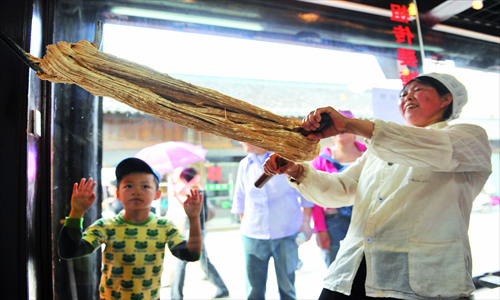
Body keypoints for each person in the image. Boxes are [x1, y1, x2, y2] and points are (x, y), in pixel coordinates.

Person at [263, 73, 492, 299]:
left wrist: (349, 125)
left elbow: (427, 147)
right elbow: (342, 189)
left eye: (417, 90)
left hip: (418, 276)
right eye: (403, 94)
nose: (407, 97)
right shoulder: (379, 148)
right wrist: (296, 170)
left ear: (446, 99)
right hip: (353, 266)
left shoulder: (468, 137)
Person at [58, 157, 202, 300]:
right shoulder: (106, 226)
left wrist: (194, 218)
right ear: (118, 194)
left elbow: (191, 255)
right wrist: (76, 212)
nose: (136, 191)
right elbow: (70, 251)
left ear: (157, 194)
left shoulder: (165, 227)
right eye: (128, 186)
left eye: (145, 186)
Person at [232, 142, 314, 300]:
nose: (241, 141)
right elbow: (239, 199)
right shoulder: (245, 164)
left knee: (287, 287)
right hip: (253, 235)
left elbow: (305, 196)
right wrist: (246, 226)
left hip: (286, 233)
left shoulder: (284, 160)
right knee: (254, 290)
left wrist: (305, 223)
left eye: (243, 138)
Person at [310, 110, 366, 267]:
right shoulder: (320, 160)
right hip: (334, 224)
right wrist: (320, 230)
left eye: (345, 124)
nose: (340, 129)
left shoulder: (370, 154)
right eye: (335, 126)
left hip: (366, 219)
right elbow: (315, 197)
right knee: (336, 268)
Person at [170, 167, 229, 299]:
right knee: (200, 261)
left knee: (184, 261)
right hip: (196, 228)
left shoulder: (194, 188)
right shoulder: (196, 187)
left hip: (194, 229)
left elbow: (187, 202)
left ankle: (175, 296)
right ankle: (221, 287)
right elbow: (190, 208)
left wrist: (179, 189)